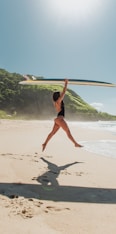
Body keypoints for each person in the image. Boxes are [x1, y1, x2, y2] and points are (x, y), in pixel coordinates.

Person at [42, 79, 83, 151]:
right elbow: (64, 92)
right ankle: (75, 143)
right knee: (68, 132)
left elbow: (61, 93)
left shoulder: (55, 102)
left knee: (52, 133)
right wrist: (66, 84)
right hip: (60, 119)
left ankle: (45, 143)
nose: (61, 94)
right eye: (59, 94)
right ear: (58, 97)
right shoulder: (58, 101)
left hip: (58, 119)